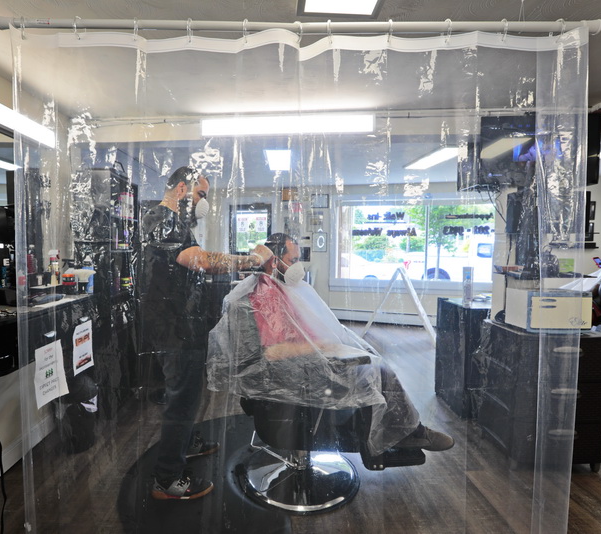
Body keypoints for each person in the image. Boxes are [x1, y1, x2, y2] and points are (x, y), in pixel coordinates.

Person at [207, 233, 454, 458]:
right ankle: (408, 433)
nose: (298, 266)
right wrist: (324, 348)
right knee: (378, 369)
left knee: (375, 365)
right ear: (274, 262)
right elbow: (274, 351)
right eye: (293, 260)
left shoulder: (277, 288)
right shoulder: (265, 295)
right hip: (293, 373)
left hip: (300, 364)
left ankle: (405, 430)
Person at [138, 166, 273, 500]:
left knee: (189, 391)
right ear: (182, 189)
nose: (203, 203)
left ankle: (187, 443)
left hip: (180, 323)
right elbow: (200, 261)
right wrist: (251, 259)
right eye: (201, 195)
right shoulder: (163, 219)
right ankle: (167, 479)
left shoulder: (174, 223)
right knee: (182, 398)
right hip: (172, 328)